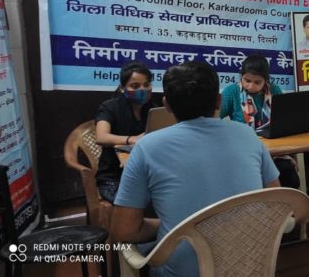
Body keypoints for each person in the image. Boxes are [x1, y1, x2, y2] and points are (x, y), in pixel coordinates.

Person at [111, 61, 280, 277]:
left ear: (167, 105)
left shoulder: (146, 147)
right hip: (251, 266)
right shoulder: (248, 135)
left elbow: (124, 230)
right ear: (219, 101)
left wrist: (174, 225)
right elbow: (275, 199)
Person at [219, 53, 299, 189]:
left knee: (287, 172)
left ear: (266, 80)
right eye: (247, 80)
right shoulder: (231, 92)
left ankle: (288, 206)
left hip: (274, 149)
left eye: (257, 82)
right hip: (243, 150)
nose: (250, 86)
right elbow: (217, 120)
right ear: (241, 76)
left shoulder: (274, 90)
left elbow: (284, 119)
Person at [94, 61, 157, 203]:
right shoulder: (110, 107)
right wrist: (132, 139)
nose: (143, 89)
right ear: (123, 88)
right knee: (141, 206)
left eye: (146, 85)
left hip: (145, 177)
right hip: (114, 180)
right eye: (135, 86)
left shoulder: (153, 110)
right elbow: (101, 137)